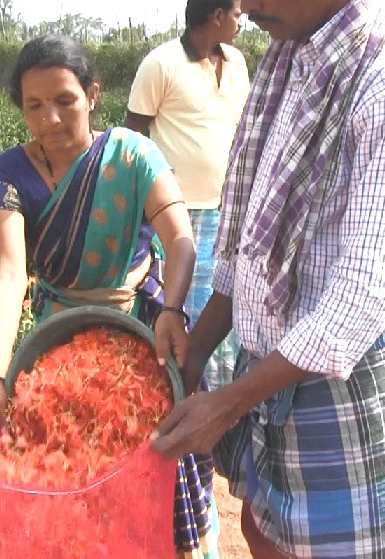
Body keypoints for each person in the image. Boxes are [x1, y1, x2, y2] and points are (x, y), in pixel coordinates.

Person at [151, 0, 385, 557]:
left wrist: (230, 403)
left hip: (342, 378)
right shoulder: (288, 60)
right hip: (268, 358)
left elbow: (360, 297)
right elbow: (247, 235)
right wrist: (199, 347)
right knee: (263, 529)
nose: (247, 4)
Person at [0, 34, 221, 559]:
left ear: (92, 94)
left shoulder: (132, 154)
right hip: (58, 338)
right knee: (67, 465)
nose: (51, 119)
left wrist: (174, 310)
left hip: (143, 328)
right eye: (34, 106)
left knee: (158, 457)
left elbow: (180, 239)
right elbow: (7, 271)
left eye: (65, 100)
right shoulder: (7, 174)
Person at [126, 0, 250, 395]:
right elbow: (135, 135)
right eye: (235, 13)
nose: (241, 19)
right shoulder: (160, 64)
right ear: (216, 16)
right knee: (185, 316)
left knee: (226, 314)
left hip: (229, 211)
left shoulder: (237, 63)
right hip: (180, 218)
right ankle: (188, 404)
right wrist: (152, 206)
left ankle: (221, 404)